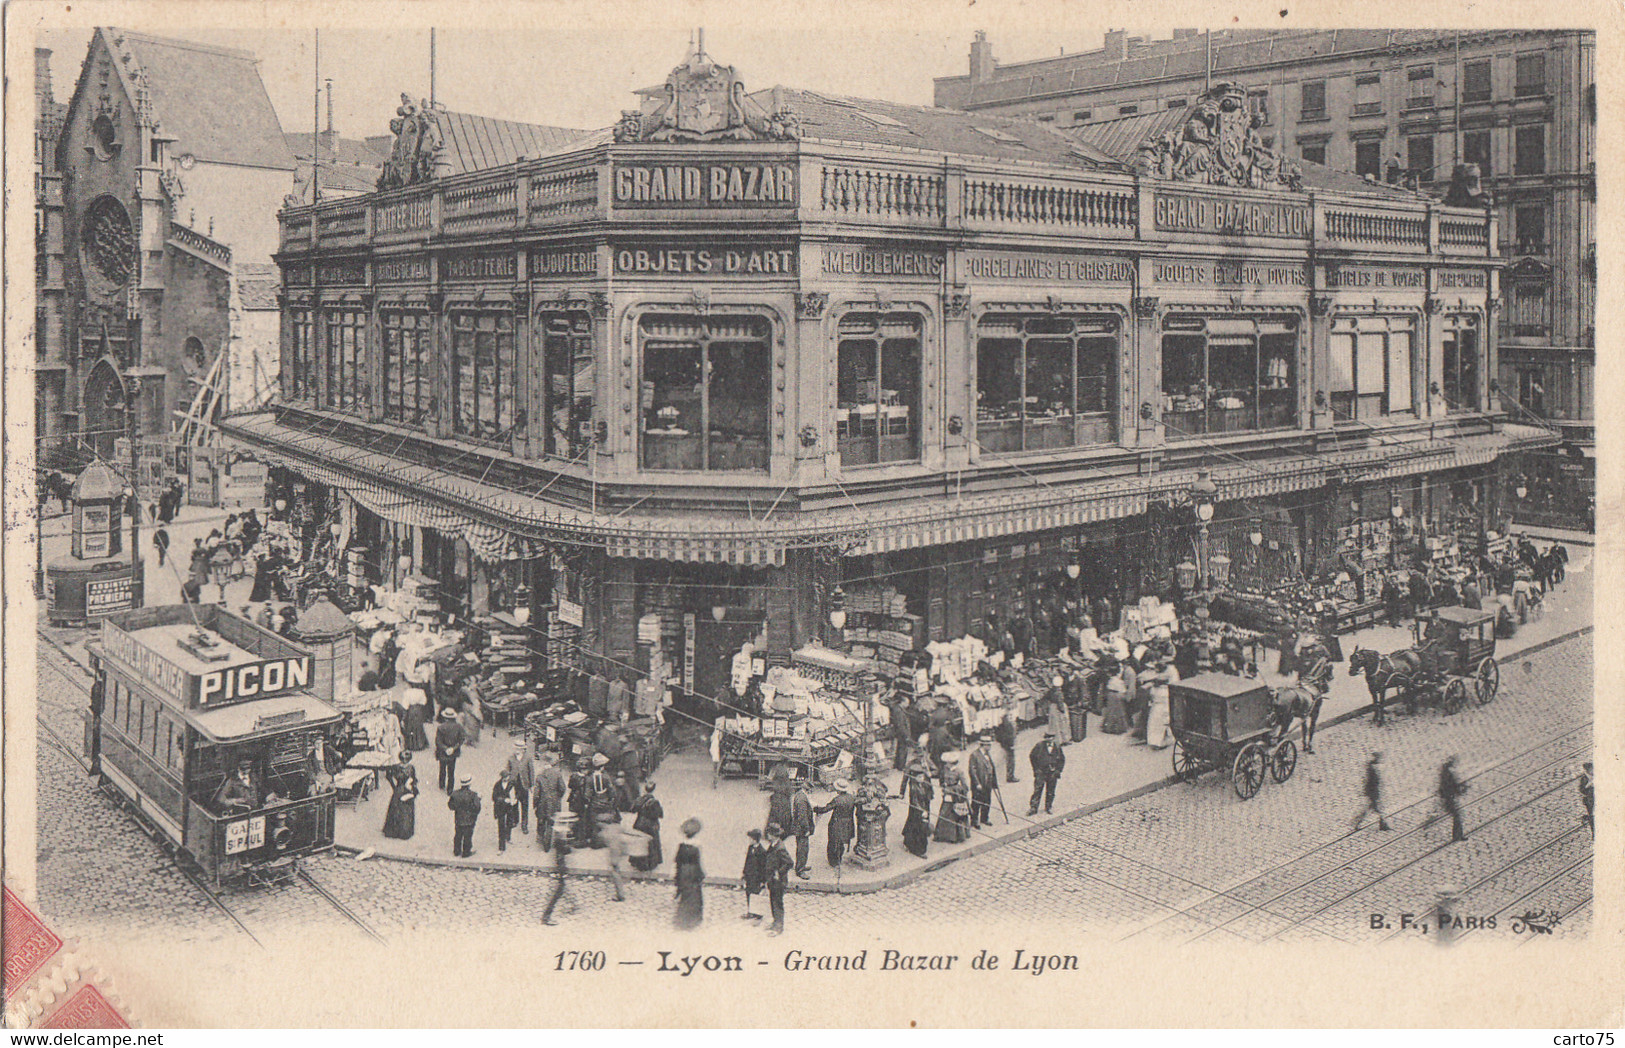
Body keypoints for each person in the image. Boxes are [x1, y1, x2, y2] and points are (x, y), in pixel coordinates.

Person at [814, 779, 859, 870]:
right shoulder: (852, 798)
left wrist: (815, 808)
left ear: (838, 790)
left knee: (833, 842)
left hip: (836, 823)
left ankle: (833, 861)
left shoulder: (837, 800)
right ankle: (839, 859)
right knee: (842, 842)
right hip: (848, 823)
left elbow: (825, 809)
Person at [673, 817, 705, 930]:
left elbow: (677, 861)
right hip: (693, 871)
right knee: (695, 895)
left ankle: (682, 919)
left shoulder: (681, 845)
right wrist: (702, 874)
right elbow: (699, 861)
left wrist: (677, 875)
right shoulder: (697, 845)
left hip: (683, 871)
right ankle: (693, 919)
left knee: (685, 894)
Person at [933, 751, 971, 843]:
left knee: (955, 814)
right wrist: (943, 786)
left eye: (948, 763)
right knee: (944, 813)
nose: (946, 765)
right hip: (947, 795)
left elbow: (965, 786)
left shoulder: (959, 772)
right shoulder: (944, 770)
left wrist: (956, 790)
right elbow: (941, 779)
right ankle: (941, 835)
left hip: (956, 796)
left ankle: (954, 837)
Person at [541, 821, 574, 926]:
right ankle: (546, 917)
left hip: (561, 869)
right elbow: (565, 852)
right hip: (561, 870)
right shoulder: (560, 841)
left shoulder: (559, 839)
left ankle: (573, 904)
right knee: (558, 893)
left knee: (562, 890)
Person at [901, 756, 934, 858]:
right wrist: (922, 811)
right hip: (917, 811)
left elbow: (928, 791)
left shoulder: (923, 784)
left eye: (922, 777)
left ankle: (908, 842)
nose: (922, 779)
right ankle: (919, 850)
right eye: (919, 777)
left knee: (913, 826)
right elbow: (914, 801)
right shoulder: (914, 788)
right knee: (919, 829)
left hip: (923, 808)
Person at [763, 822, 793, 936]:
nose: (767, 836)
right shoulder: (773, 845)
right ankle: (775, 922)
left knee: (778, 903)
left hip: (779, 882)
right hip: (772, 880)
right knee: (773, 901)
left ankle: (778, 927)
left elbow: (789, 863)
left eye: (769, 834)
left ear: (773, 835)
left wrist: (778, 872)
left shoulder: (780, 848)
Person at [1027, 731, 1066, 816]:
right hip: (1041, 772)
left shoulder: (1057, 747)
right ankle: (1033, 808)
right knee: (1037, 790)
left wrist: (1058, 770)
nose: (1049, 739)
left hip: (1052, 773)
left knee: (1051, 791)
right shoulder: (1039, 746)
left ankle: (1048, 807)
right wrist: (1036, 769)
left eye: (1051, 737)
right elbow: (1032, 756)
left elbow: (1062, 760)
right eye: (1047, 737)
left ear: (1053, 738)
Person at [382, 751, 418, 840]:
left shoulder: (396, 767)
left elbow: (388, 776)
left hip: (398, 790)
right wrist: (412, 787)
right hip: (407, 790)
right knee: (406, 811)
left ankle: (393, 831)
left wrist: (394, 787)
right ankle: (405, 831)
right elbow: (414, 779)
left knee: (395, 809)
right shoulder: (411, 768)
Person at [629, 781, 664, 872]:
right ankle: (649, 863)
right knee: (652, 843)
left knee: (639, 842)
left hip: (639, 823)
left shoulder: (639, 799)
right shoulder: (654, 802)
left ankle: (637, 862)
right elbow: (660, 814)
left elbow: (632, 810)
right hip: (650, 825)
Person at [535, 753, 567, 851]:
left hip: (542, 802)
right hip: (554, 801)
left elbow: (536, 793)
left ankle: (540, 836)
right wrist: (558, 797)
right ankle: (548, 842)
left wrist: (535, 804)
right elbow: (562, 788)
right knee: (551, 820)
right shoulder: (557, 774)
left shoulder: (540, 776)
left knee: (541, 819)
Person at [1352, 751, 1391, 831]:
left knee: (1371, 808)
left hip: (1374, 792)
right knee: (1376, 809)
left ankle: (1358, 821)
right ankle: (1383, 824)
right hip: (1374, 792)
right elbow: (1373, 782)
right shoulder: (1373, 768)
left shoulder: (1373, 766)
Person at [504, 738, 534, 835]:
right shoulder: (510, 758)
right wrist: (506, 782)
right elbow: (507, 770)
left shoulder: (528, 758)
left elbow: (531, 771)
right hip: (514, 784)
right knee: (514, 804)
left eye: (519, 748)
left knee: (524, 805)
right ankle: (515, 821)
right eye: (515, 748)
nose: (516, 750)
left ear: (523, 750)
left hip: (524, 785)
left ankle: (524, 825)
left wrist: (532, 785)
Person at [967, 736, 998, 829]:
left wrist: (994, 782)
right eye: (988, 745)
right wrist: (977, 783)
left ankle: (984, 818)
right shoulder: (974, 755)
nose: (990, 747)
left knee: (987, 801)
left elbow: (991, 768)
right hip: (979, 784)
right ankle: (974, 820)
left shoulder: (987, 754)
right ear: (983, 745)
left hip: (988, 782)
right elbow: (972, 771)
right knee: (976, 803)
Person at [448, 773, 481, 858]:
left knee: (458, 835)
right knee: (467, 836)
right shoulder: (473, 795)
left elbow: (451, 806)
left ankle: (456, 851)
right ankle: (466, 852)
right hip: (469, 819)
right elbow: (477, 807)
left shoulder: (455, 794)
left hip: (458, 818)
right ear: (469, 784)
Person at [788, 780, 816, 879]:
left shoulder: (800, 794)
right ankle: (800, 870)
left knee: (801, 848)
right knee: (803, 849)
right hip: (801, 829)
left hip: (799, 827)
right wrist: (806, 829)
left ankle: (801, 866)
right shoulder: (802, 799)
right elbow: (802, 816)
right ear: (808, 789)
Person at [434, 707, 464, 793]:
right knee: (451, 771)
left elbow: (438, 741)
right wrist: (453, 748)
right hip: (453, 753)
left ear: (445, 717)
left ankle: (442, 784)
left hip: (442, 752)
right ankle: (450, 789)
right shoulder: (459, 727)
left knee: (442, 769)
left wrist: (445, 748)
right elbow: (461, 739)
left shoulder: (441, 727)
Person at [1439, 755, 1468, 842]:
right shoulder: (1449, 775)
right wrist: (1461, 788)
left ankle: (1458, 835)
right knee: (1457, 816)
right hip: (1449, 799)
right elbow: (1452, 786)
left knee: (1457, 816)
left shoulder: (1444, 774)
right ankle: (1457, 836)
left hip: (1448, 798)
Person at [492, 767, 522, 852]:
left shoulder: (512, 783)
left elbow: (518, 792)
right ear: (502, 778)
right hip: (500, 808)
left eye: (507, 777)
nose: (506, 779)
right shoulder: (497, 785)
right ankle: (501, 847)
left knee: (510, 823)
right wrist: (503, 800)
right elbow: (494, 797)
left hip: (510, 807)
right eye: (505, 777)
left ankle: (508, 838)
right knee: (501, 826)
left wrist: (516, 798)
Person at [740, 828, 767, 919]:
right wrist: (744, 873)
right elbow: (747, 861)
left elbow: (763, 867)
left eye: (750, 839)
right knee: (748, 893)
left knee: (756, 894)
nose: (749, 840)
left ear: (754, 839)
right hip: (749, 876)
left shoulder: (762, 851)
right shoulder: (750, 848)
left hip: (757, 878)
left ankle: (758, 913)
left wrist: (763, 880)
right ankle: (750, 911)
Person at [994, 709, 1020, 782]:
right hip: (1008, 745)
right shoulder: (1006, 723)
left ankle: (1007, 776)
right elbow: (1007, 735)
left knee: (1006, 760)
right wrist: (1010, 744)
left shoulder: (1003, 722)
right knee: (1009, 760)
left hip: (1005, 744)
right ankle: (1010, 776)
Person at [1579, 761, 1594, 838]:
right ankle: (1594, 834)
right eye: (1591, 770)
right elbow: (1581, 790)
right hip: (1589, 802)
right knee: (1592, 818)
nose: (1592, 771)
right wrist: (1588, 785)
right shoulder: (1584, 779)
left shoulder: (1596, 776)